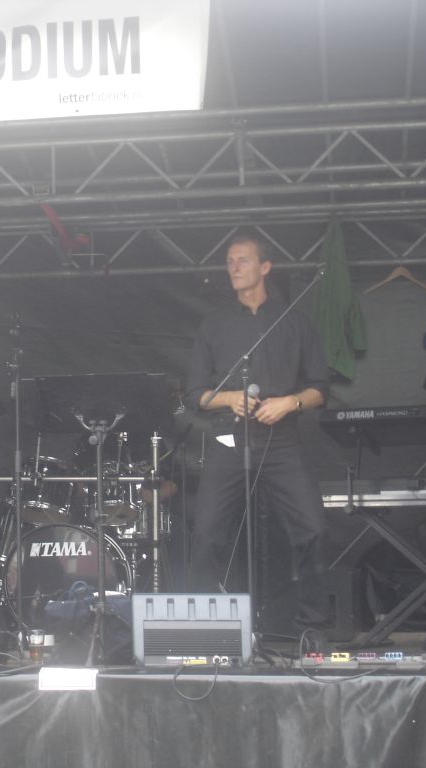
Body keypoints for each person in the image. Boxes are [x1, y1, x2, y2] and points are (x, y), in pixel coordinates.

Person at [185, 232, 330, 629]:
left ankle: (313, 627)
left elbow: (320, 388)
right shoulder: (213, 326)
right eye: (229, 261)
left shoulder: (295, 322)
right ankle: (205, 629)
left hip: (282, 442)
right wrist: (229, 398)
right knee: (206, 533)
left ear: (265, 267)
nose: (234, 267)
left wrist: (290, 402)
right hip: (229, 439)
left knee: (314, 528)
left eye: (243, 260)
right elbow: (195, 394)